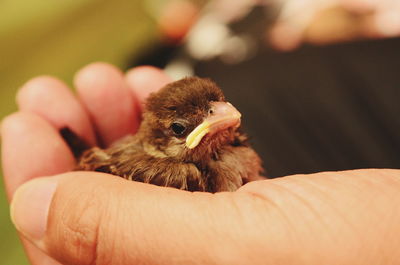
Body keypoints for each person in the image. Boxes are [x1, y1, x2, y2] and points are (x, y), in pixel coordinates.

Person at [2, 62, 400, 265]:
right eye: (180, 127)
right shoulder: (174, 174)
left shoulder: (235, 150)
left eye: (217, 105)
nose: (222, 114)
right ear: (161, 137)